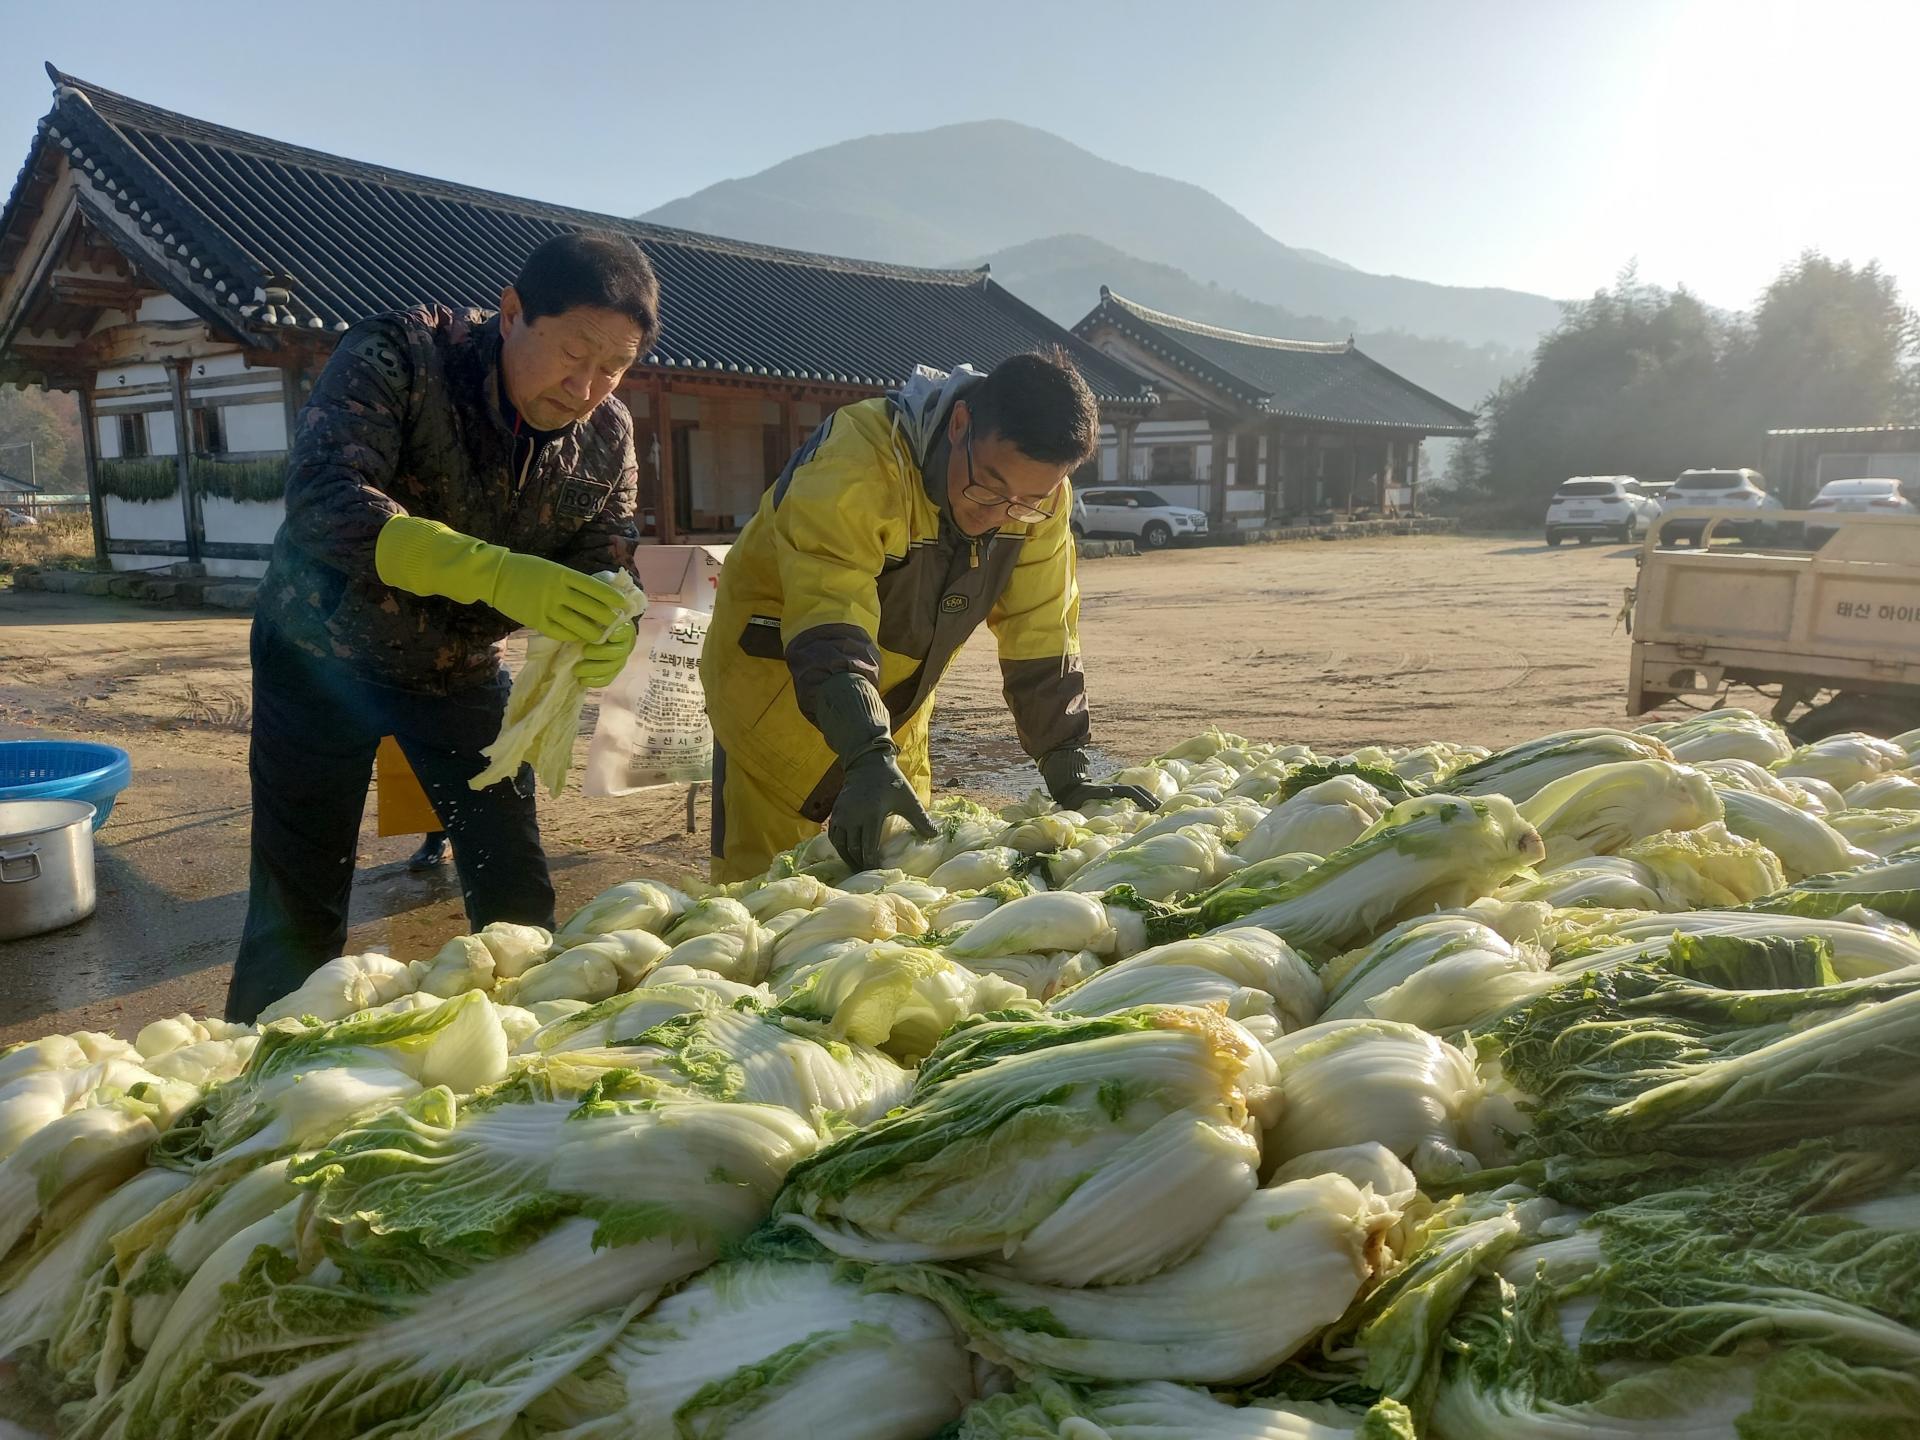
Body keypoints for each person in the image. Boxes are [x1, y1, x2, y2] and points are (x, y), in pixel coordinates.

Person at [226, 232, 659, 1022]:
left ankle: (526, 1048)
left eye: (614, 367)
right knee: (298, 899)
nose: (586, 386)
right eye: (574, 352)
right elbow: (326, 496)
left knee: (515, 885)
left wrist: (610, 619)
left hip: (457, 669)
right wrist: (490, 572)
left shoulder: (607, 434)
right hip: (319, 654)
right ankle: (253, 1063)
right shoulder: (401, 356)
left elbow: (608, 549)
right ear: (512, 312)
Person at [700, 348, 1158, 883]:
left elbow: (1041, 629)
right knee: (765, 892)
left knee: (901, 881)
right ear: (960, 424)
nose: (998, 514)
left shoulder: (1039, 501)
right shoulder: (858, 459)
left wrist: (1066, 761)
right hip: (778, 692)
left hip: (898, 704)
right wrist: (865, 751)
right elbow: (829, 611)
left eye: (1026, 501)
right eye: (988, 486)